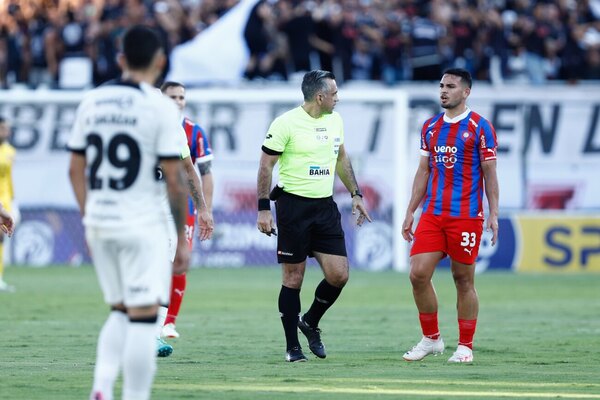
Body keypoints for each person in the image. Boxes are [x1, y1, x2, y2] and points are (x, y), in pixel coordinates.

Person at [68, 25, 192, 400]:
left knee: (119, 312)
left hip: (101, 223)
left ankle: (101, 388)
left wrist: (89, 217)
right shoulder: (160, 108)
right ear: (160, 61)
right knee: (142, 319)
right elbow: (175, 179)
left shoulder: (92, 102)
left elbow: (75, 170)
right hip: (141, 224)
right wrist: (181, 238)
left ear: (121, 59)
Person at [256, 69, 372, 362]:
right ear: (319, 97)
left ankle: (309, 322)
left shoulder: (335, 120)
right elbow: (266, 166)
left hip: (324, 207)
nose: (337, 98)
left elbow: (341, 158)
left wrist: (356, 194)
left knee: (339, 275)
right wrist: (262, 209)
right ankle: (292, 347)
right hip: (293, 208)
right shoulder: (285, 124)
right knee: (293, 278)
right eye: (334, 94)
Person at [401, 68, 499, 364]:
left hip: (466, 216)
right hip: (433, 213)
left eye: (451, 86)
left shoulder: (481, 127)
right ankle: (431, 338)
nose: (444, 91)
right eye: (442, 86)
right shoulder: (430, 127)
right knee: (417, 274)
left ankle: (465, 345)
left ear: (466, 92)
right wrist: (410, 210)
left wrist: (493, 212)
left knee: (462, 279)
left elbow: (490, 174)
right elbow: (423, 171)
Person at [158, 81, 214, 340]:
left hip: (180, 206)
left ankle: (165, 324)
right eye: (172, 97)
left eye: (181, 97)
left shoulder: (192, 131)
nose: (177, 101)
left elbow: (199, 171)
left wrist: (205, 208)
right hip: (144, 205)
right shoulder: (145, 124)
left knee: (176, 262)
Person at [0, 117, 16, 292]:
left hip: (4, 201)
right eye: (3, 128)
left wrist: (12, 197)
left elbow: (9, 177)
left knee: (1, 236)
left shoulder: (10, 151)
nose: (6, 132)